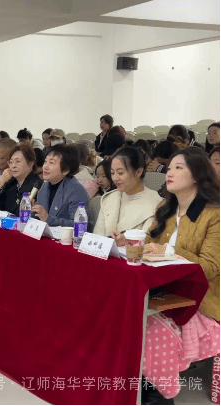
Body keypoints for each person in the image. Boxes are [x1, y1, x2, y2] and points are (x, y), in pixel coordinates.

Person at [141, 147, 220, 404]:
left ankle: (158, 397)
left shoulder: (214, 215)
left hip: (199, 298)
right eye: (169, 167)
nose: (169, 173)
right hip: (161, 289)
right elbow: (147, 246)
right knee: (123, 315)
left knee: (152, 331)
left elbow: (209, 267)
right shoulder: (165, 207)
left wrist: (169, 251)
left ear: (196, 175)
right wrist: (127, 244)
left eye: (178, 168)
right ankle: (136, 389)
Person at [94, 147, 163, 246]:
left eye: (120, 173)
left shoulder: (156, 203)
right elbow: (97, 237)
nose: (115, 178)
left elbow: (147, 244)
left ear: (138, 172)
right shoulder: (109, 198)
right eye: (112, 173)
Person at [32, 144, 90, 227]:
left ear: (66, 170)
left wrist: (48, 219)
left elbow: (79, 225)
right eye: (45, 162)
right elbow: (40, 218)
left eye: (51, 163)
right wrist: (33, 212)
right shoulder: (44, 187)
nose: (45, 167)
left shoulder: (76, 191)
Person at [0, 144, 42, 216]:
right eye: (11, 162)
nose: (13, 166)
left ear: (30, 164)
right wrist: (1, 182)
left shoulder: (37, 186)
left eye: (18, 161)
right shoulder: (11, 183)